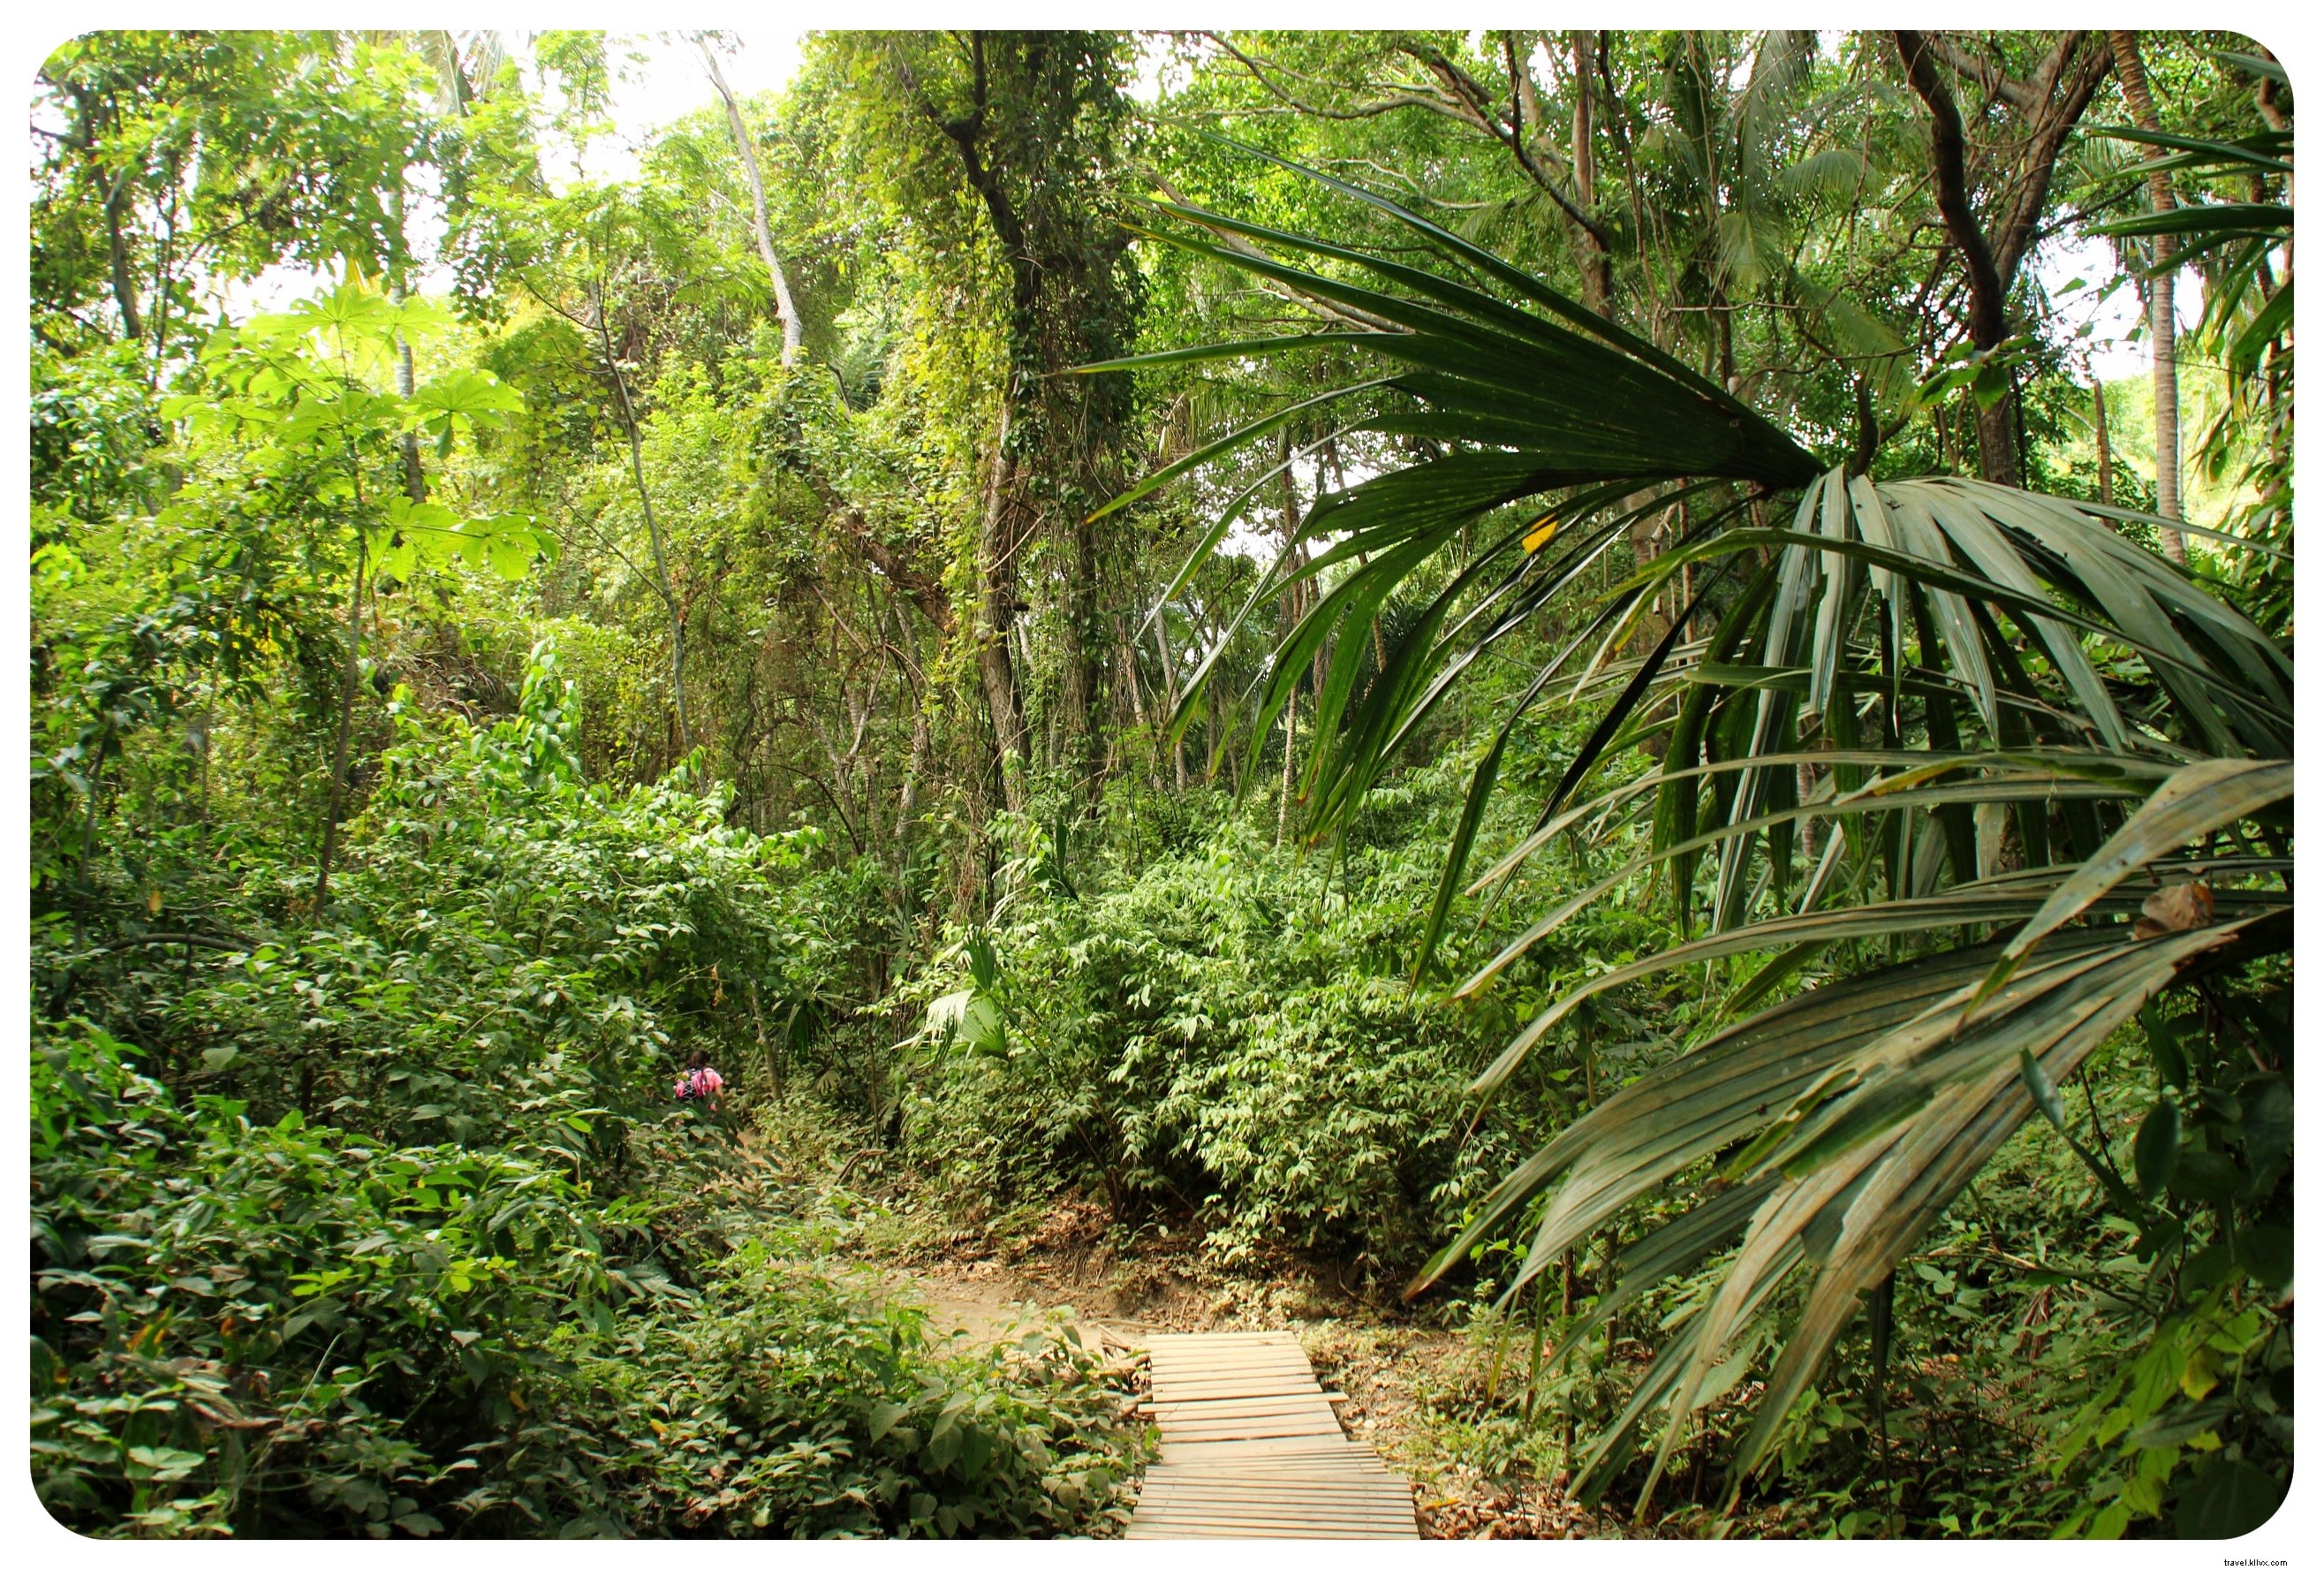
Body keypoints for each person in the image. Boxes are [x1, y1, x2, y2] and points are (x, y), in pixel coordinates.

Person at [673, 1050, 724, 1115]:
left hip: (684, 1111)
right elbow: (720, 1098)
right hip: (704, 1111)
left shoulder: (683, 1074)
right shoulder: (713, 1074)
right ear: (706, 1061)